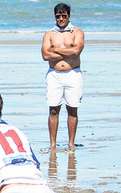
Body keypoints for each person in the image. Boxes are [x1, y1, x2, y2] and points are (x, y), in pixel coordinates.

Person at [42, 3, 84, 152]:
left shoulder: (77, 32)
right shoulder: (49, 34)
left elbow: (76, 51)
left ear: (69, 16)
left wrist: (56, 50)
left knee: (72, 109)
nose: (61, 19)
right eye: (58, 16)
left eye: (63, 16)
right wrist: (67, 50)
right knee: (53, 109)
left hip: (73, 74)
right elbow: (45, 55)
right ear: (55, 16)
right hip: (54, 75)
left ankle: (71, 143)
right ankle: (52, 145)